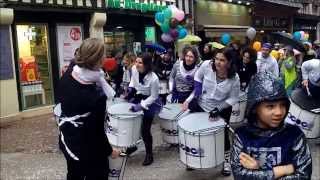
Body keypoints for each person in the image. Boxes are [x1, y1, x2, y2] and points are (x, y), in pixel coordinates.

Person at [57, 38, 120, 179]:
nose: (105, 57)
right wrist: (110, 151)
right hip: (88, 149)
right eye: (103, 55)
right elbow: (96, 133)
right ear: (98, 60)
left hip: (68, 139)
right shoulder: (95, 96)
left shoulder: (68, 75)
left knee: (73, 175)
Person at [231, 72, 312, 179]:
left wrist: (258, 171)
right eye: (270, 106)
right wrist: (283, 170)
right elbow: (239, 175)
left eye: (282, 105)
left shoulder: (294, 135)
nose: (279, 112)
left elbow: (304, 175)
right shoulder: (242, 135)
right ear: (255, 108)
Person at [188, 48, 240, 176]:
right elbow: (198, 76)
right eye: (216, 58)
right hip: (202, 104)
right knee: (197, 132)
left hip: (222, 108)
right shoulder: (206, 65)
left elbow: (234, 98)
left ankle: (226, 162)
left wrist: (219, 108)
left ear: (229, 62)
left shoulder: (234, 78)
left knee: (223, 136)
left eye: (222, 60)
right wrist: (198, 88)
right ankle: (195, 159)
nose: (218, 62)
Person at [125, 52, 161, 166]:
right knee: (132, 124)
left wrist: (141, 105)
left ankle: (149, 154)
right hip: (138, 97)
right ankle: (132, 146)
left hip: (150, 102)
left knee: (145, 130)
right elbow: (133, 81)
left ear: (147, 64)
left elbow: (154, 96)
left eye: (140, 62)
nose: (137, 64)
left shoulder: (154, 78)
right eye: (136, 61)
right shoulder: (134, 69)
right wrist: (131, 89)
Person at [169, 45, 200, 110]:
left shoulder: (198, 69)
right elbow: (171, 77)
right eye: (187, 56)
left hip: (190, 97)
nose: (188, 59)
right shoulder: (177, 64)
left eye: (191, 57)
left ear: (195, 58)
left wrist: (188, 100)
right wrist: (171, 89)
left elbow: (196, 88)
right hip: (177, 95)